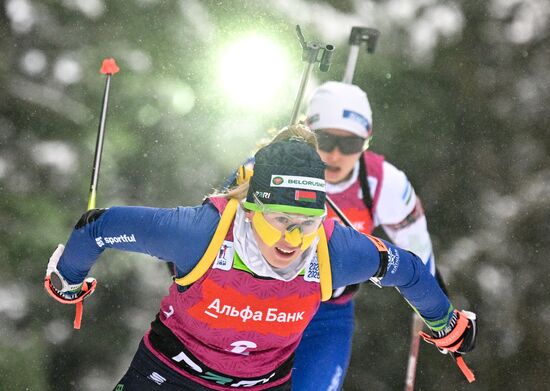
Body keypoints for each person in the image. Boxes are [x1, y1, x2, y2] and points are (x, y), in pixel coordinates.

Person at [44, 125, 476, 391]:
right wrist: (67, 281)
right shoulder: (202, 232)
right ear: (251, 210)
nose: (293, 238)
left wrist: (444, 323)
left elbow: (406, 269)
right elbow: (99, 226)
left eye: (307, 222)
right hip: (168, 378)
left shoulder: (332, 250)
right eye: (280, 220)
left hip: (261, 386)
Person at [291, 81, 441, 390]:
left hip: (328, 313)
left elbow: (417, 247)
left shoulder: (384, 183)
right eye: (325, 140)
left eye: (349, 145)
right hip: (263, 303)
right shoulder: (272, 166)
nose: (335, 154)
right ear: (307, 132)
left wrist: (435, 308)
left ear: (367, 141)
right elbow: (216, 221)